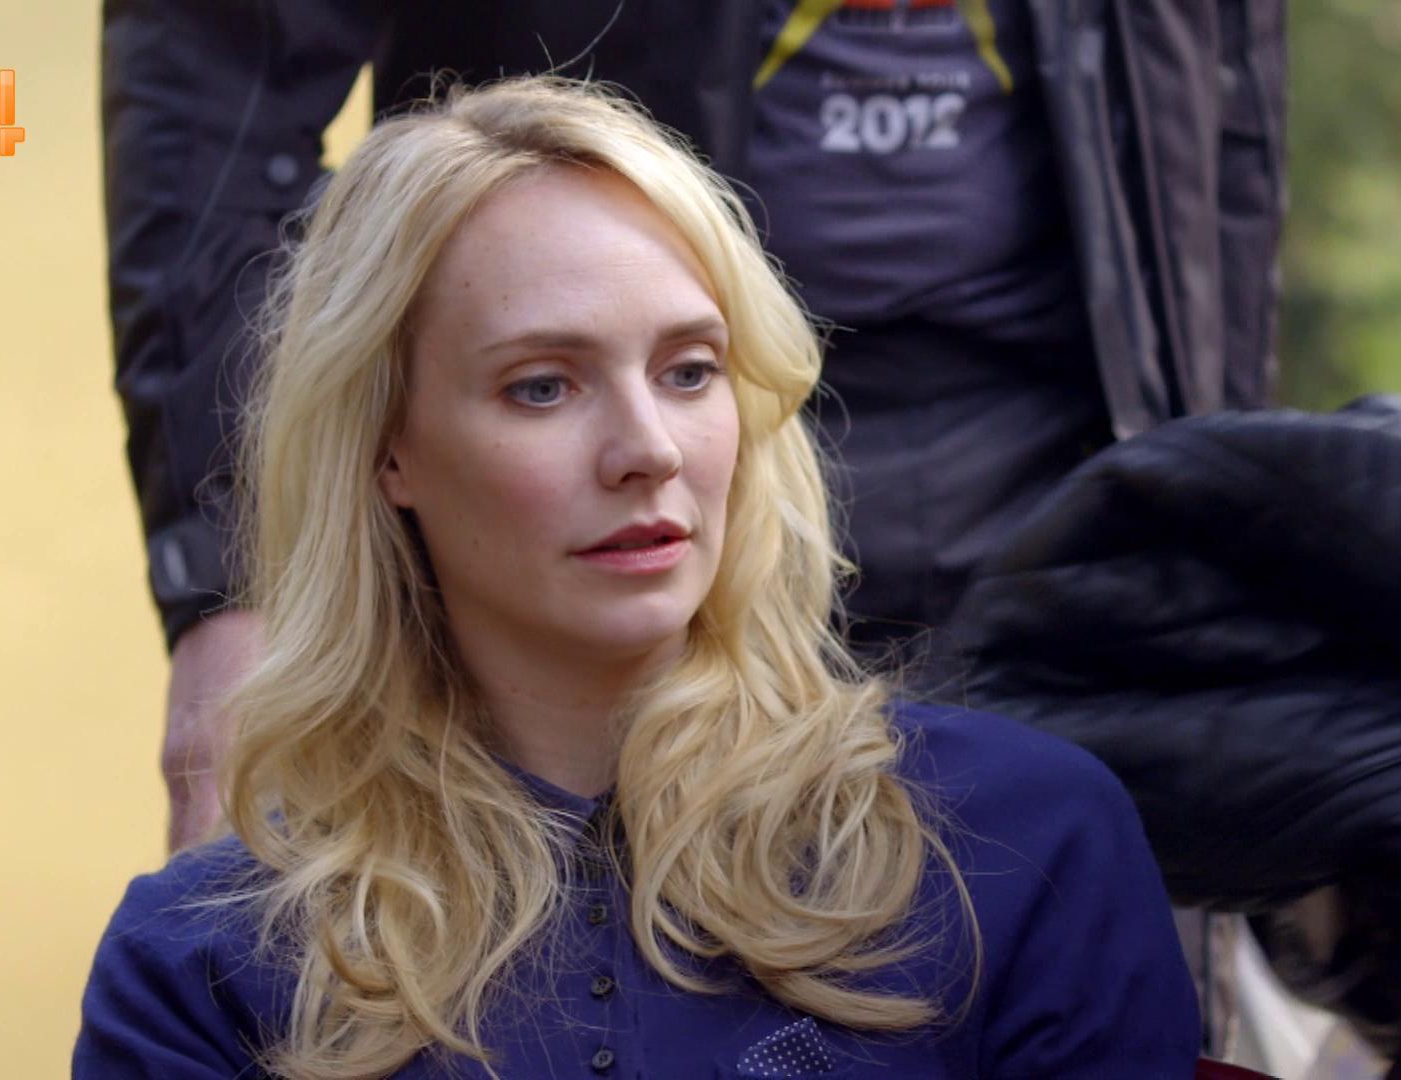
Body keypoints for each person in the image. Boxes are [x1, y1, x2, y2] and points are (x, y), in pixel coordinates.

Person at [73, 78, 1200, 1078]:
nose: (648, 449)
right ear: (387, 449)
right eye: (543, 386)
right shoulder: (202, 964)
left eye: (690, 371)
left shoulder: (1026, 842)